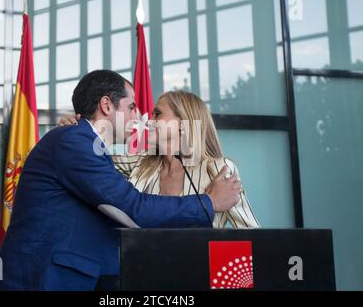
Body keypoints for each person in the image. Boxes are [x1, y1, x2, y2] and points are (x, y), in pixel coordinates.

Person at [0, 70, 242, 291]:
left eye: (155, 113)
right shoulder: (78, 144)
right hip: (41, 281)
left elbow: (249, 239)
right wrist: (209, 202)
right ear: (107, 106)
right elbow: (134, 209)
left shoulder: (219, 169)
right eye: (132, 107)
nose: (141, 117)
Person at [60, 91, 260, 228]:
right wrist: (76, 129)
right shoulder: (139, 162)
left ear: (182, 124)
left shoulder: (219, 168)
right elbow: (89, 156)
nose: (149, 120)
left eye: (157, 114)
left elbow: (251, 235)